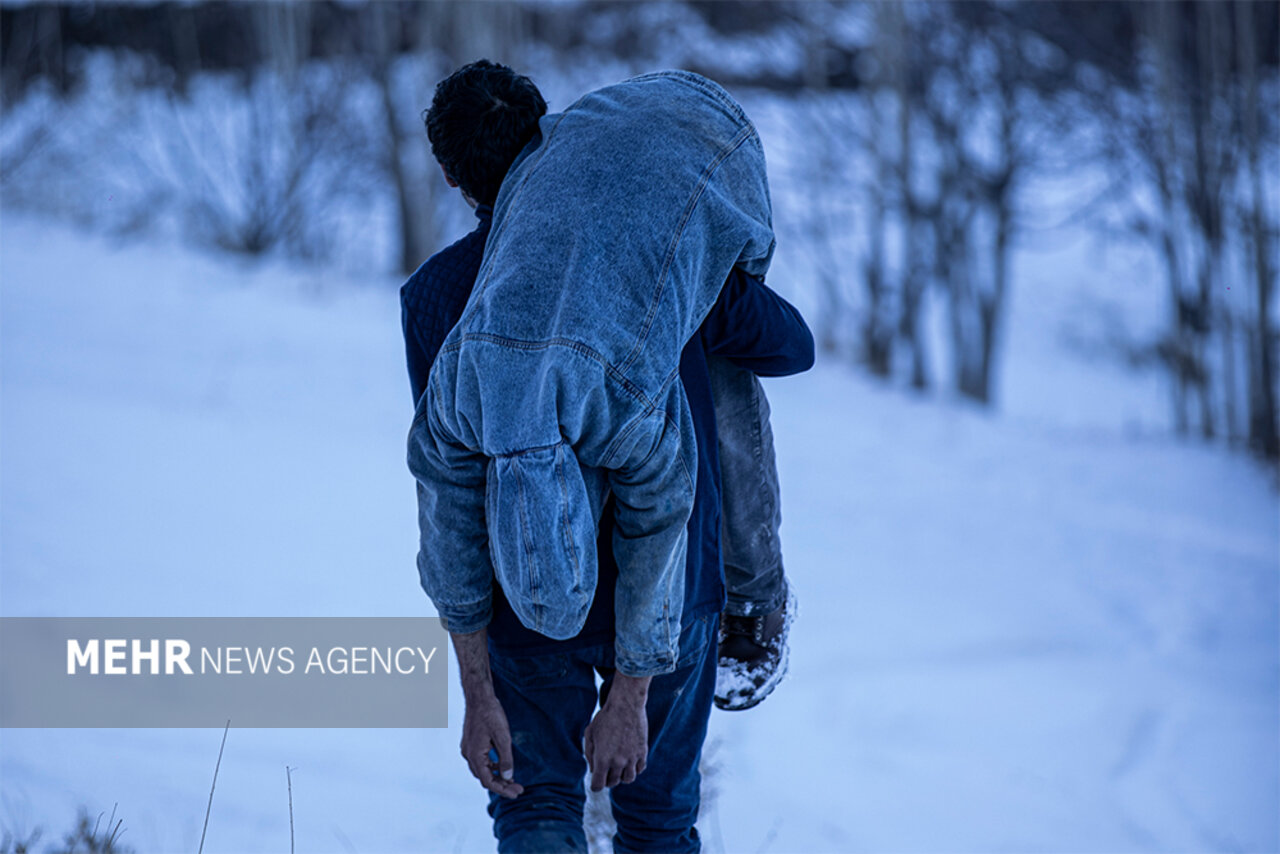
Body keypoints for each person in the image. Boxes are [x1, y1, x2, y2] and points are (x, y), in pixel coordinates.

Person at [404, 61, 813, 851]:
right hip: (670, 592)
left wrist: (475, 683)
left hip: (521, 596)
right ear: (549, 134)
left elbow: (449, 491)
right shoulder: (651, 262)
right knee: (658, 823)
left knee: (534, 809)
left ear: (454, 180)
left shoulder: (434, 300)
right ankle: (760, 604)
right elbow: (791, 346)